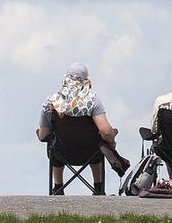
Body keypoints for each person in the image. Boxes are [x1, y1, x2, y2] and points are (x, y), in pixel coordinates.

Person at [36, 63, 118, 195]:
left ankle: (58, 187)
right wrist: (112, 139)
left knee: (53, 142)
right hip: (89, 153)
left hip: (61, 154)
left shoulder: (51, 101)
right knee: (99, 142)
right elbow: (106, 131)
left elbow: (43, 135)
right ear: (86, 80)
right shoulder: (93, 101)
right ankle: (98, 187)